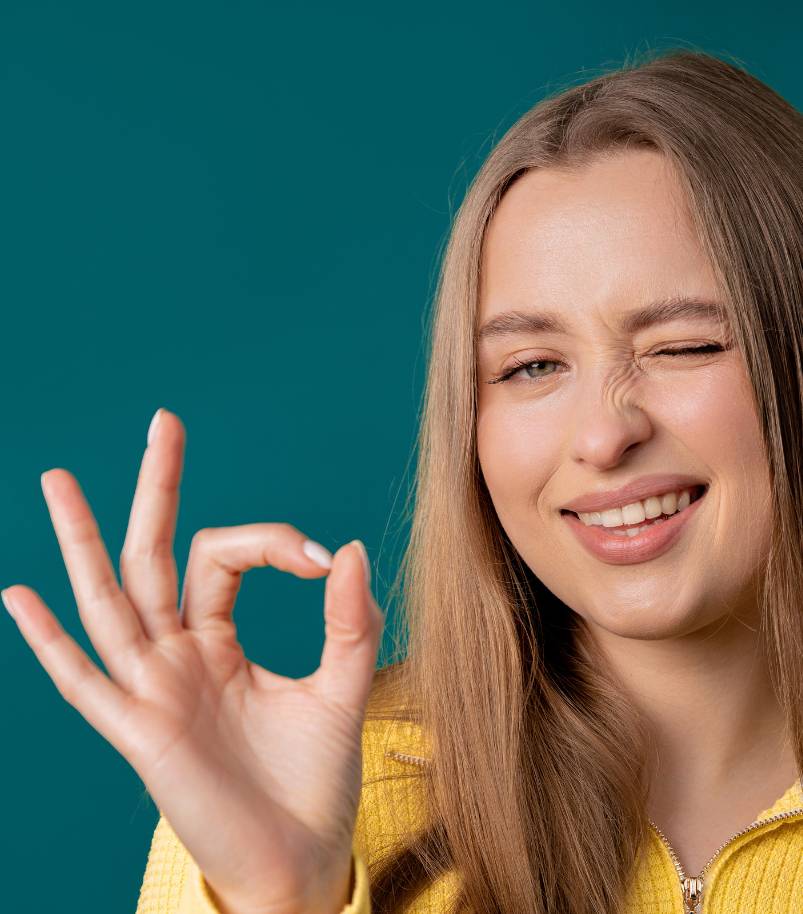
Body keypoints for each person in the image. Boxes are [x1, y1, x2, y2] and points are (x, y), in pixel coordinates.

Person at [2, 47, 801, 914]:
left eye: (683, 346)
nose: (604, 434)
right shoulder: (332, 797)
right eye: (531, 367)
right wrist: (277, 894)